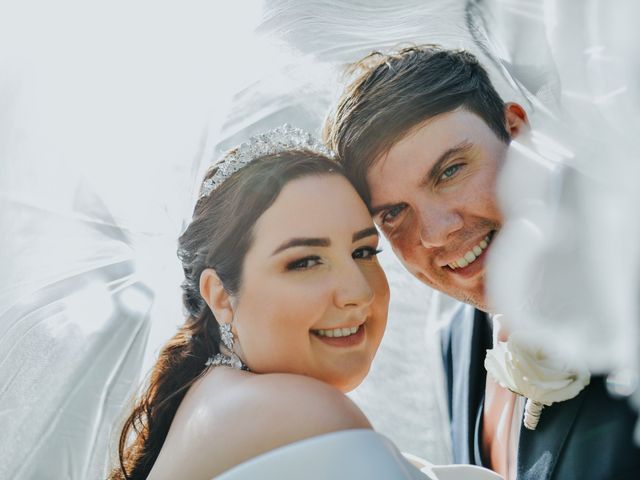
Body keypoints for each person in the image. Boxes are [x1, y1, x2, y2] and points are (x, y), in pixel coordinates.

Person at [108, 125, 500, 480]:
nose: (358, 293)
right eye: (305, 262)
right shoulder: (300, 414)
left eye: (364, 252)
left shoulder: (211, 406)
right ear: (220, 296)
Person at [324, 46, 640, 479]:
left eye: (450, 172)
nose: (435, 234)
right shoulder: (449, 325)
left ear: (516, 131)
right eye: (394, 214)